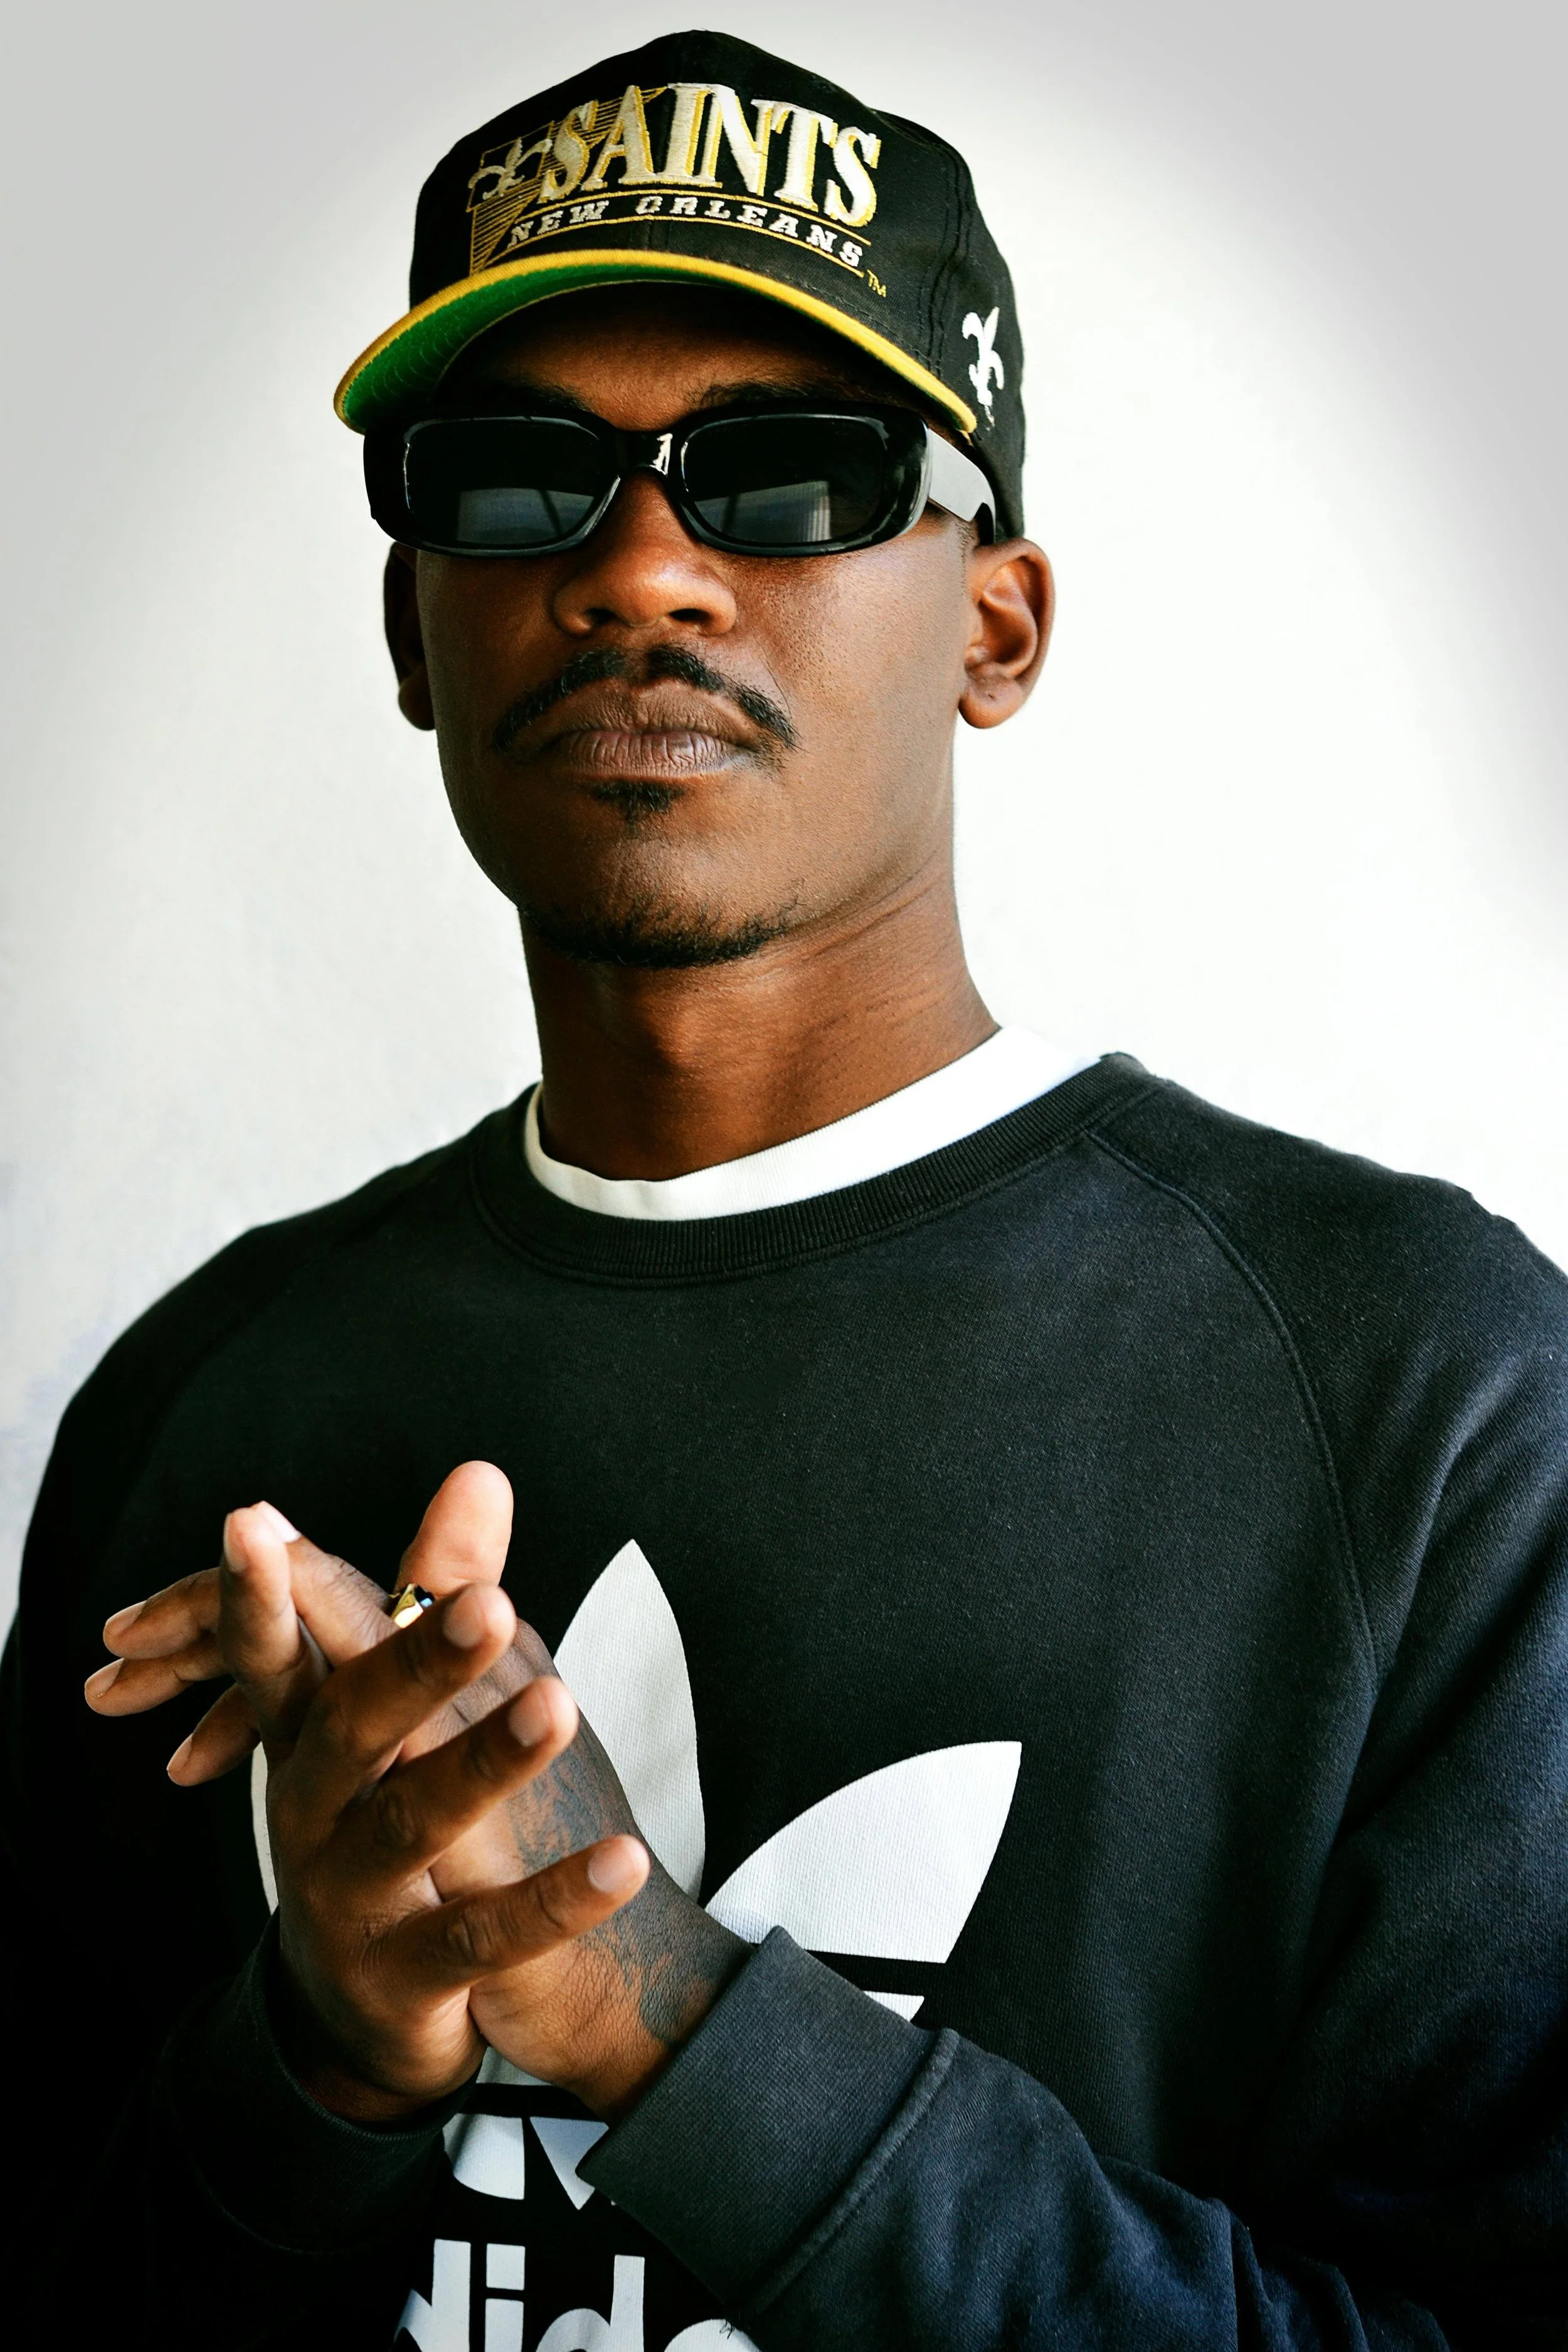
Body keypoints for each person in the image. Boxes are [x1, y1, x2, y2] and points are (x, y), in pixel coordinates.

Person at [6, 27, 1567, 2350]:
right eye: (520, 476)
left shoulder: (1419, 1396)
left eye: (792, 473)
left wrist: (655, 2003)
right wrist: (320, 2050)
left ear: (996, 625)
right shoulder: (208, 1401)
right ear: (409, 630)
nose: (641, 568)